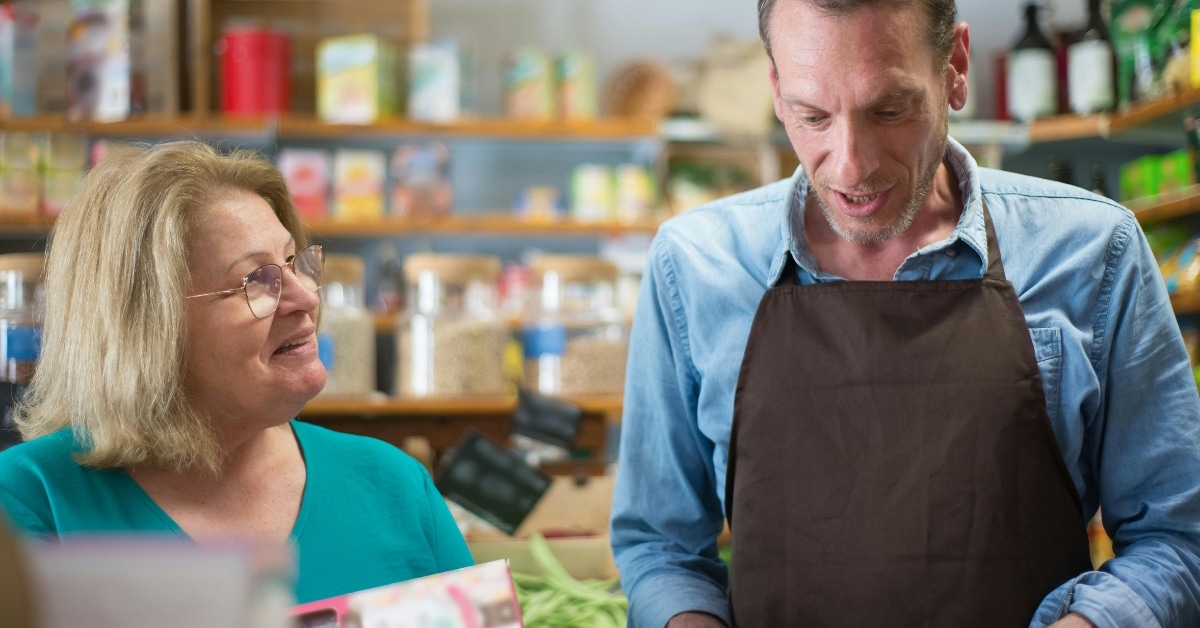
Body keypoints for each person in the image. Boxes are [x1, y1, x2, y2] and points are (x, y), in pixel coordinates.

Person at [610, 1, 1200, 627]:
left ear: (955, 67)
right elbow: (661, 546)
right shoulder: (695, 266)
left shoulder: (1093, 252)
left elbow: (1179, 537)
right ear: (777, 89)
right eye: (813, 116)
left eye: (889, 110)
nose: (851, 165)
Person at [0, 141, 474, 604]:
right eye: (257, 280)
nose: (307, 296)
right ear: (146, 327)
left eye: (294, 262)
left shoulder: (392, 484)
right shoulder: (26, 499)